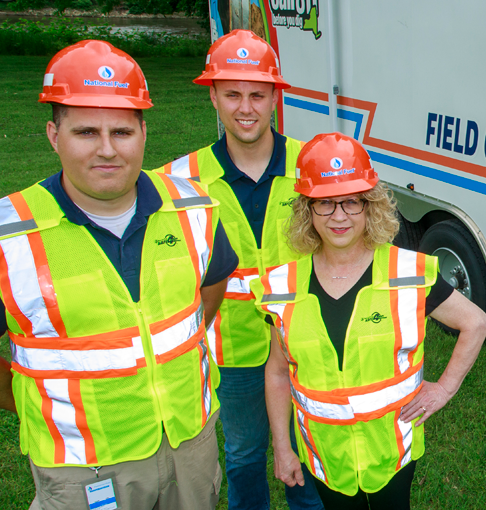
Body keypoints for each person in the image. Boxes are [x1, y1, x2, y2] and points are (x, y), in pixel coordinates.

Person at [0, 40, 240, 510]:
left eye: (122, 131)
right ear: (54, 134)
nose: (108, 150)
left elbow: (208, 293)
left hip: (188, 446)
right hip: (85, 467)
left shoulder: (193, 208)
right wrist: (46, 400)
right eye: (87, 132)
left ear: (144, 132)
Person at [252, 132, 486, 510]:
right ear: (306, 211)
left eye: (351, 202)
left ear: (370, 206)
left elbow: (476, 323)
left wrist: (443, 389)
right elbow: (278, 372)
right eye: (325, 204)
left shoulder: (408, 273)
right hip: (324, 455)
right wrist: (283, 449)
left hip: (391, 452)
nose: (339, 216)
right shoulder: (281, 287)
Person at [153, 29, 324, 510]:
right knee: (245, 455)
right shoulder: (177, 181)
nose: (245, 107)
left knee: (309, 453)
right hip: (230, 351)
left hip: (306, 343)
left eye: (257, 94)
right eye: (232, 94)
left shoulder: (313, 165)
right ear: (213, 97)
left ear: (275, 97)